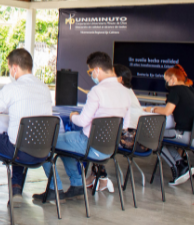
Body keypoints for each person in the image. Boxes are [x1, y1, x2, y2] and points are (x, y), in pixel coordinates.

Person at [36, 52, 131, 202]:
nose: (91, 75)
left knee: (45, 141)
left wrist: (73, 116)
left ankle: (55, 188)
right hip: (109, 149)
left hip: (88, 145)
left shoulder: (97, 91)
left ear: (97, 70)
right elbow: (125, 124)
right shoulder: (125, 92)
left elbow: (82, 121)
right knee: (64, 143)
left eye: (90, 71)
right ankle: (77, 184)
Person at [0, 48, 53, 207]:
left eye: (9, 68)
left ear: (15, 68)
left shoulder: (12, 88)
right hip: (43, 152)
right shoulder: (45, 89)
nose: (10, 71)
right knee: (19, 137)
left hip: (19, 153)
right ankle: (16, 187)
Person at [86, 63, 143, 192]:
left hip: (128, 138)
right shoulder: (128, 92)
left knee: (97, 138)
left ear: (120, 79)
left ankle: (101, 177)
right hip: (135, 137)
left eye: (112, 74)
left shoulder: (118, 93)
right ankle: (96, 176)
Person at [143, 64, 194, 186]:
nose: (167, 84)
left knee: (153, 136)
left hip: (183, 134)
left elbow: (167, 111)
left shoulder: (176, 90)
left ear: (173, 78)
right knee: (161, 138)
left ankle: (180, 168)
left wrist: (151, 109)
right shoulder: (191, 90)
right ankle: (181, 164)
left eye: (167, 80)